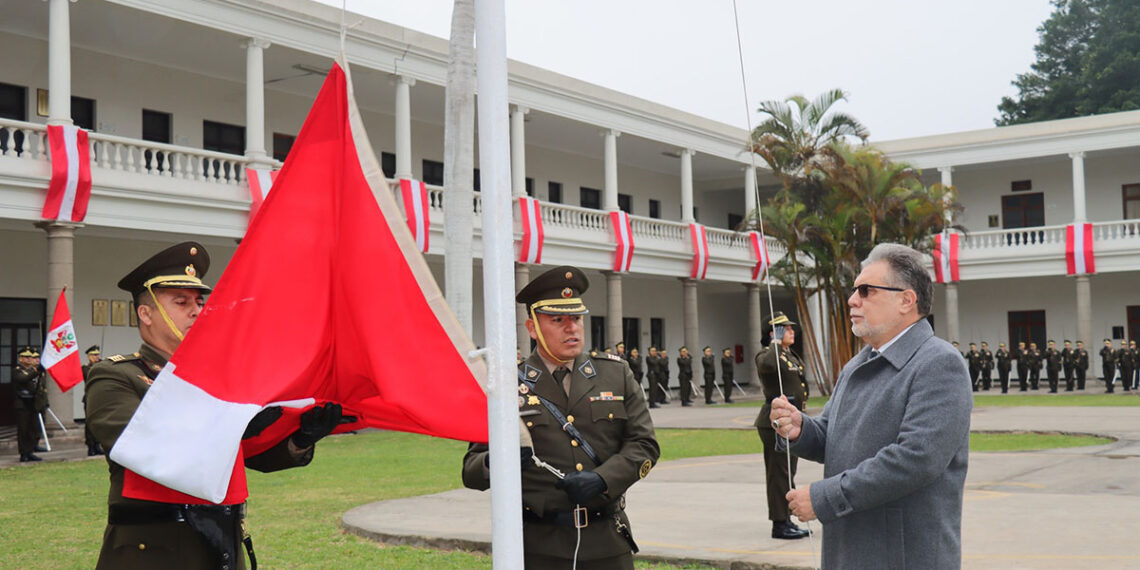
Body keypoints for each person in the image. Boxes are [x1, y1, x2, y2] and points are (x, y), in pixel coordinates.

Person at [85, 241, 345, 570]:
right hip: (152, 551)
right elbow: (142, 445)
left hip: (220, 543)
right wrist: (229, 423)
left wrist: (299, 438)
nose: (196, 311)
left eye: (198, 302)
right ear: (146, 314)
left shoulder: (218, 379)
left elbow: (243, 453)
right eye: (181, 302)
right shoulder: (115, 375)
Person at [770, 243, 971, 568]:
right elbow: (834, 438)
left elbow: (915, 460)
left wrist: (824, 498)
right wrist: (799, 429)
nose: (852, 300)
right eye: (854, 291)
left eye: (866, 291)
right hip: (848, 550)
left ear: (906, 300)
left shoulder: (939, 363)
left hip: (902, 556)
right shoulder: (858, 364)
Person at [462, 265, 659, 569]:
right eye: (558, 320)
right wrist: (498, 461)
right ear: (532, 328)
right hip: (539, 547)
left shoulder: (615, 374)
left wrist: (602, 479)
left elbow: (644, 445)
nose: (572, 328)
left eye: (576, 318)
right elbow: (471, 471)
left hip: (607, 542)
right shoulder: (505, 385)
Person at [753, 312, 809, 540]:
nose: (791, 331)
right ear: (772, 333)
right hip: (774, 421)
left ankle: (786, 519)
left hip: (791, 420)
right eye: (785, 329)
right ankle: (779, 524)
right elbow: (766, 364)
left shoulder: (788, 355)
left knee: (788, 471)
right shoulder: (767, 355)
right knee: (778, 473)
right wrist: (774, 343)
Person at [12, 346, 47, 462]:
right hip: (22, 404)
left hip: (33, 403)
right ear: (20, 359)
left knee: (32, 428)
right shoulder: (18, 370)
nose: (28, 359)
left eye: (30, 357)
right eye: (26, 357)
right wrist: (35, 371)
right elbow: (22, 379)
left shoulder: (32, 370)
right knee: (23, 429)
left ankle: (30, 451)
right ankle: (23, 453)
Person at [81, 345, 106, 456]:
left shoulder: (101, 366)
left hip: (100, 399)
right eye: (94, 355)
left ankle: (97, 445)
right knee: (90, 423)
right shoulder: (85, 368)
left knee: (99, 422)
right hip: (90, 398)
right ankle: (90, 446)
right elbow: (90, 376)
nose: (96, 357)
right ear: (89, 356)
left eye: (97, 355)